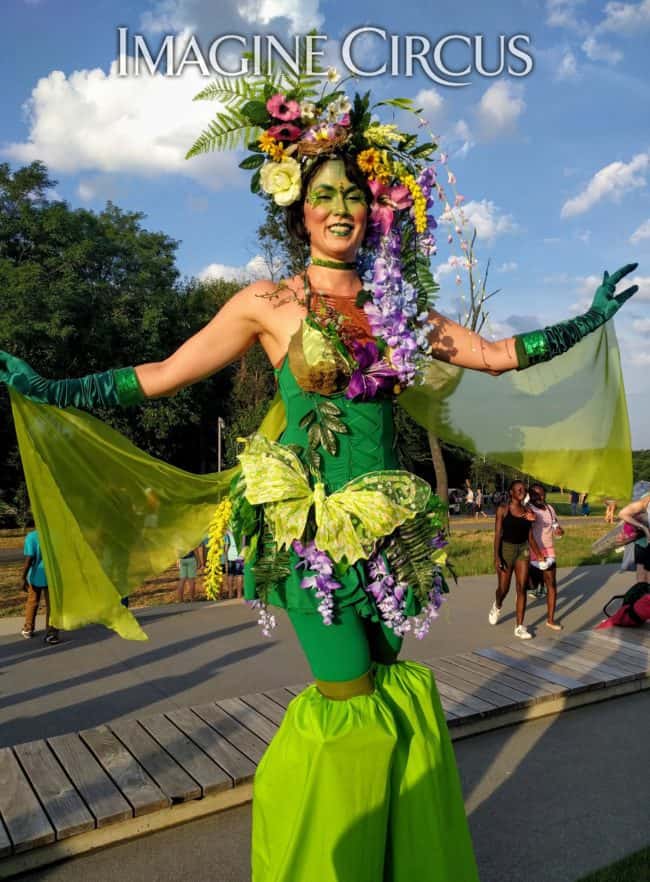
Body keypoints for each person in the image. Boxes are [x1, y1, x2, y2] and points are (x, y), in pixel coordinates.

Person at [0, 73, 640, 882]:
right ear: (295, 210)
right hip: (309, 534)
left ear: (375, 209)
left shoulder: (399, 305)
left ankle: (395, 853)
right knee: (347, 698)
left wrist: (584, 321)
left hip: (391, 536)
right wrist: (52, 390)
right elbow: (163, 374)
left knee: (381, 686)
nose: (342, 208)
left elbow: (496, 356)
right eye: (324, 195)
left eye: (355, 195)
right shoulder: (267, 303)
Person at [489, 480, 544, 639]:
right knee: (503, 589)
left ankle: (519, 626)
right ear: (511, 492)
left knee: (521, 587)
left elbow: (529, 536)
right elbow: (498, 534)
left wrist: (538, 554)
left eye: (523, 489)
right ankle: (497, 605)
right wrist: (496, 556)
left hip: (523, 550)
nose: (522, 491)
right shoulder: (503, 509)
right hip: (506, 550)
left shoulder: (527, 511)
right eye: (518, 489)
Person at [527, 483, 564, 630]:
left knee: (552, 585)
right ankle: (530, 589)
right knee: (530, 586)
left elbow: (556, 526)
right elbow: (528, 535)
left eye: (542, 494)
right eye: (536, 495)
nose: (540, 497)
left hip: (548, 551)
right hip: (532, 551)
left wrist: (559, 532)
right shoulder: (529, 510)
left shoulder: (550, 509)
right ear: (531, 495)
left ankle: (550, 620)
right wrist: (538, 554)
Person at [21, 529, 59, 644]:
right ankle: (52, 633)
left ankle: (28, 629)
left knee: (32, 602)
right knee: (52, 605)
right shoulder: (54, 534)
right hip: (51, 576)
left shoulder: (31, 536)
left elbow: (29, 558)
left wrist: (22, 577)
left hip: (35, 575)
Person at [618, 493, 650, 584]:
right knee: (642, 575)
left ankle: (643, 595)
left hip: (643, 542)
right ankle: (642, 596)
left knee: (644, 575)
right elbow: (622, 514)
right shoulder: (646, 500)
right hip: (643, 543)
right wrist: (643, 527)